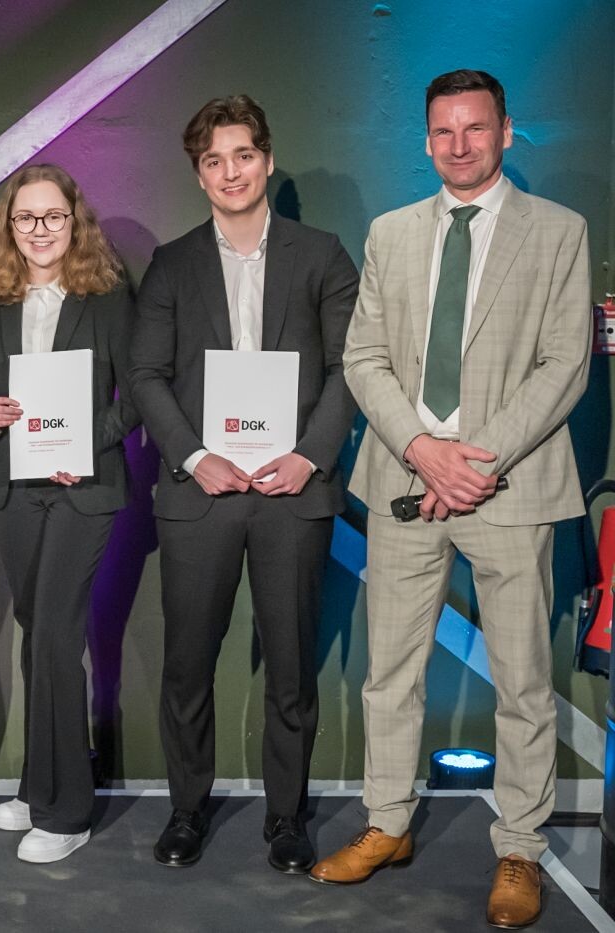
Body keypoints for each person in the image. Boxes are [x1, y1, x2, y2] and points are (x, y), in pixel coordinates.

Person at [309, 70, 591, 929]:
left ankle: (519, 847)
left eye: (475, 128)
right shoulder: (391, 234)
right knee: (388, 675)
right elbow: (365, 359)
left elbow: (565, 364)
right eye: (443, 131)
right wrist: (426, 452)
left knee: (522, 682)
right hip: (402, 481)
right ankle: (386, 823)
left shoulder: (559, 232)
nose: (459, 144)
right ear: (426, 140)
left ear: (507, 132)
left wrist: (476, 461)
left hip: (509, 486)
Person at [128, 96, 359, 873]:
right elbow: (146, 375)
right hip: (201, 494)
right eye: (213, 161)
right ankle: (187, 810)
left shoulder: (323, 253)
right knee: (187, 663)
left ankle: (286, 818)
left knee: (292, 666)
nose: (231, 172)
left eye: (243, 155)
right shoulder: (171, 262)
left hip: (294, 491)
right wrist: (196, 456)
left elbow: (349, 368)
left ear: (266, 159)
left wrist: (311, 455)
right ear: (199, 175)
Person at [0, 163, 139, 863]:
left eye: (53, 217)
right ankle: (41, 784)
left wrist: (88, 440)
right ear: (9, 226)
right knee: (38, 635)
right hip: (13, 483)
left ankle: (68, 811)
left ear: (75, 221)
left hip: (82, 487)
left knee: (58, 636)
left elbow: (143, 387)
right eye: (26, 218)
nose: (39, 230)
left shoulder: (108, 292)